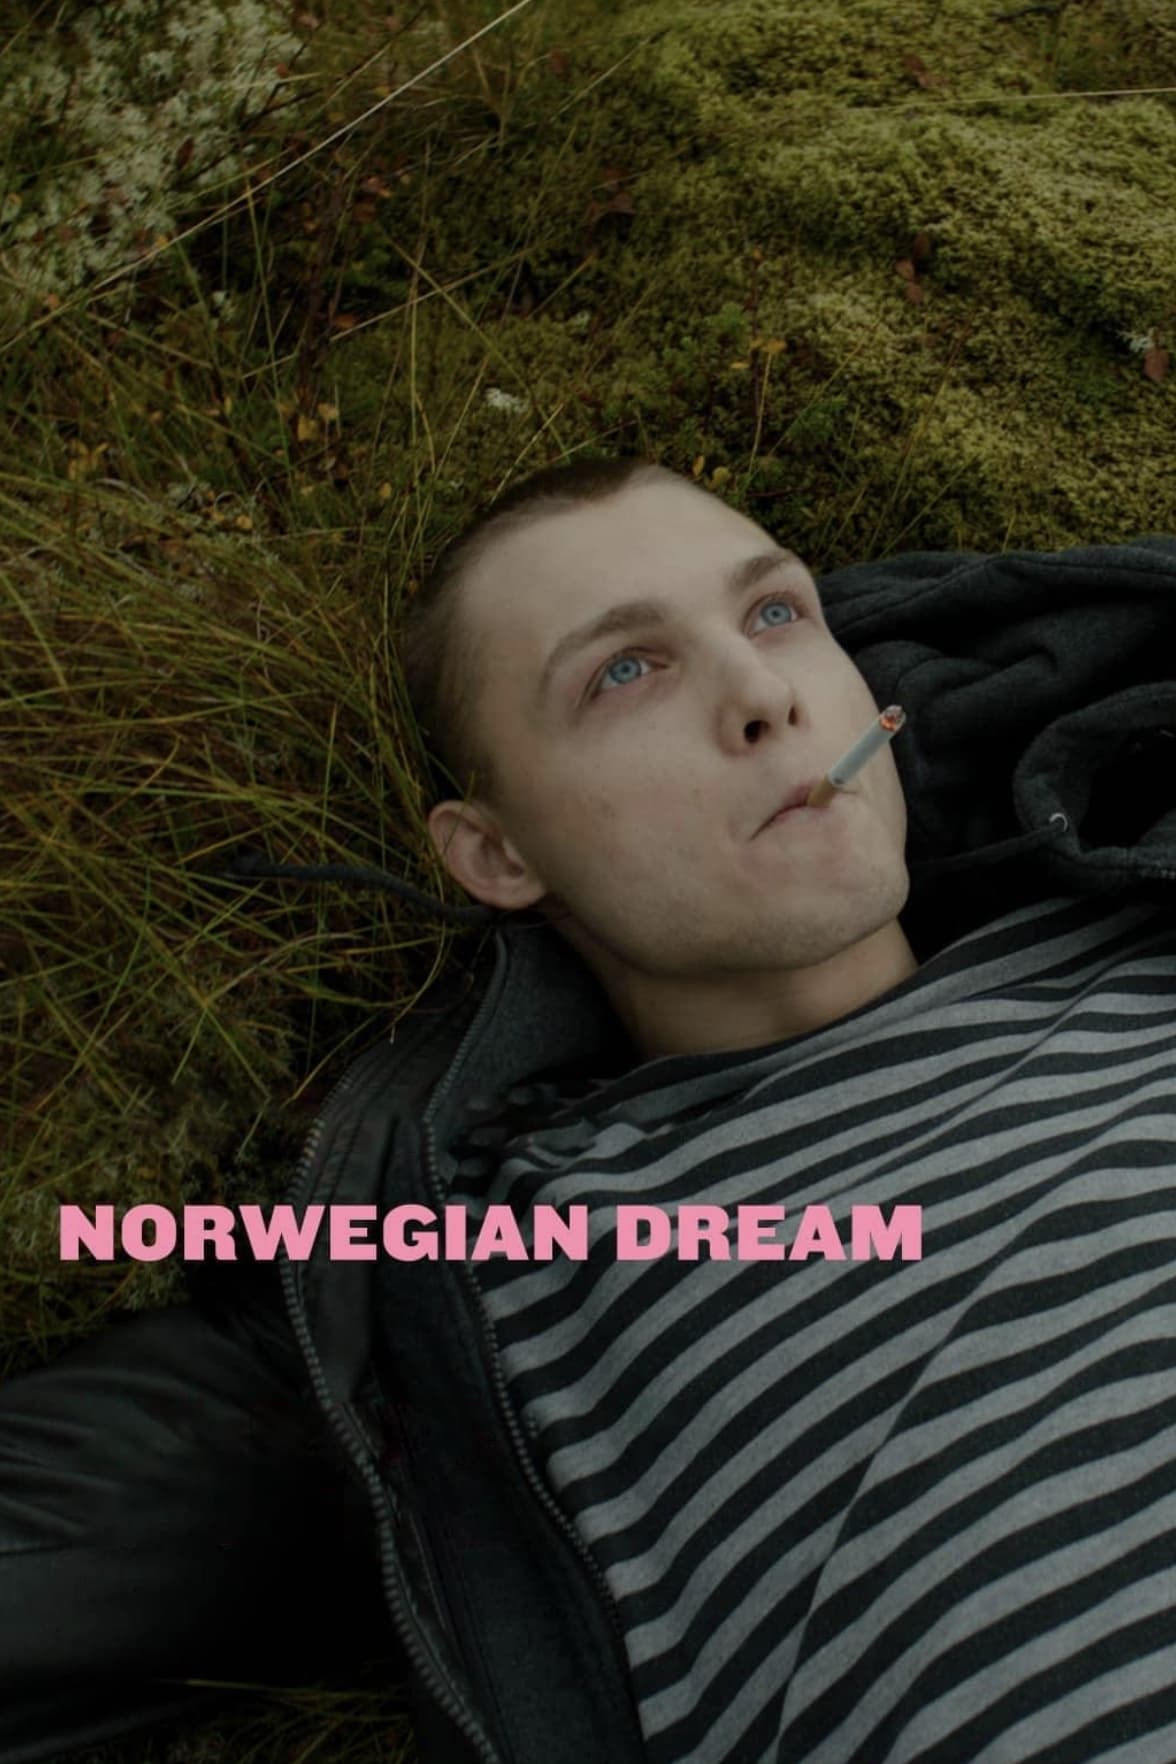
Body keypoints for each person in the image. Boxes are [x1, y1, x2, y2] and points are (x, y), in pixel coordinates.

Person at [4, 451, 1176, 1764]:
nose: (764, 696)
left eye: (776, 612)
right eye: (625, 672)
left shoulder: (1145, 936)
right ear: (498, 853)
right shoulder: (509, 1250)